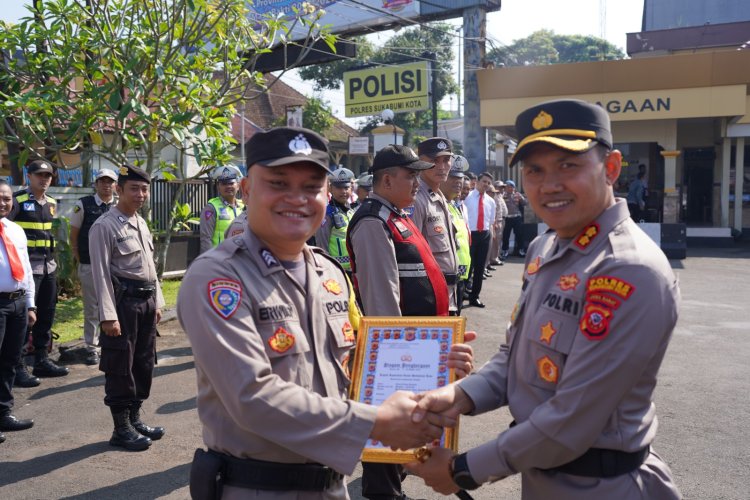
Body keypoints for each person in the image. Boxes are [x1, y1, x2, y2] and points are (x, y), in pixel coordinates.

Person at [406, 99, 681, 499]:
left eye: (568, 165)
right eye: (535, 170)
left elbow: (571, 421)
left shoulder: (627, 269)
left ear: (611, 168)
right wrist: (459, 396)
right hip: (543, 478)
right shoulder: (546, 247)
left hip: (604, 485)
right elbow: (515, 355)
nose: (549, 184)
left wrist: (462, 470)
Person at [177, 127, 451, 499]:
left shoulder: (327, 272)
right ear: (246, 189)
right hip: (258, 488)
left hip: (332, 485)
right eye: (278, 182)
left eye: (311, 186)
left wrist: (430, 365)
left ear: (326, 194)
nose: (297, 198)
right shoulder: (218, 276)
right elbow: (252, 398)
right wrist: (378, 423)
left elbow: (354, 371)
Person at [346, 143, 475, 500]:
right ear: (387, 179)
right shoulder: (373, 220)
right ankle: (382, 493)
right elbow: (382, 296)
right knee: (390, 416)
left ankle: (391, 486)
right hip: (398, 348)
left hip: (418, 341)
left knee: (408, 420)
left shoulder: (396, 214)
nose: (418, 182)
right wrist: (398, 351)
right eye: (411, 175)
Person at [89, 164, 165, 451]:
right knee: (120, 364)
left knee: (143, 362)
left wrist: (157, 301)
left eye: (144, 189)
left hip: (145, 303)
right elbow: (100, 274)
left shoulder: (140, 223)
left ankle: (134, 419)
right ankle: (120, 429)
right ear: (119, 190)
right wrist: (108, 316)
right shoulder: (104, 226)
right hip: (123, 305)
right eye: (134, 188)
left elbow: (151, 268)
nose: (141, 194)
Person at [10, 160, 68, 386]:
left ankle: (41, 359)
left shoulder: (51, 203)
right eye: (39, 175)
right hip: (27, 269)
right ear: (29, 175)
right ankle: (18, 366)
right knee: (25, 318)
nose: (44, 179)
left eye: (48, 175)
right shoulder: (19, 201)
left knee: (46, 313)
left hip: (48, 266)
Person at [69, 169, 118, 366]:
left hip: (115, 266)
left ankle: (112, 342)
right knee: (92, 307)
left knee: (115, 304)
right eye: (102, 181)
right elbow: (74, 236)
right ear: (96, 184)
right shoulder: (83, 205)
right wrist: (81, 260)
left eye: (110, 182)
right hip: (89, 264)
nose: (106, 185)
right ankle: (92, 347)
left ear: (115, 185)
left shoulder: (119, 205)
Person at [0, 180, 36, 443]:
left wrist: (31, 303)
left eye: (7, 198)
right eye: (0, 198)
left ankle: (3, 412)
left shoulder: (16, 230)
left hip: (19, 303)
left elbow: (26, 269)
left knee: (10, 360)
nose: (3, 203)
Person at [413, 137, 459, 313]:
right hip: (429, 297)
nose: (442, 166)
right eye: (434, 160)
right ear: (420, 162)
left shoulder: (439, 195)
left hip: (448, 296)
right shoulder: (417, 199)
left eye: (446, 160)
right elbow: (412, 255)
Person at [442, 158, 471, 315]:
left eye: (460, 177)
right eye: (453, 177)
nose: (459, 181)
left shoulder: (454, 206)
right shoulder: (437, 206)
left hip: (460, 275)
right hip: (446, 279)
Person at [463, 172, 496, 308]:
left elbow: (491, 221)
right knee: (467, 268)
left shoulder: (491, 201)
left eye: (489, 183)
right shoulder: (467, 197)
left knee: (480, 268)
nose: (486, 185)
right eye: (484, 181)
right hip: (470, 235)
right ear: (477, 181)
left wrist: (491, 237)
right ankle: (460, 294)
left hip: (484, 235)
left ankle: (474, 297)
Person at [315, 167, 356, 273]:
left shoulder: (352, 212)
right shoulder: (327, 214)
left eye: (346, 188)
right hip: (336, 270)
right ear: (330, 189)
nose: (343, 191)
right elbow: (322, 246)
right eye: (339, 188)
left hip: (354, 270)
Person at [199, 165, 244, 255]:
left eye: (231, 183)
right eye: (224, 184)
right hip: (221, 261)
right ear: (218, 187)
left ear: (238, 186)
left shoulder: (244, 207)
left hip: (241, 260)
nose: (228, 186)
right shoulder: (211, 208)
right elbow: (206, 239)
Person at [501, 179, 527, 259]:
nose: (509, 188)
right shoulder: (503, 195)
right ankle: (505, 250)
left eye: (511, 187)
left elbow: (525, 203)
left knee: (519, 234)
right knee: (506, 235)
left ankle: (521, 250)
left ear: (514, 188)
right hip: (507, 218)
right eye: (508, 187)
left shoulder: (517, 195)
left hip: (517, 217)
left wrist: (521, 198)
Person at [488, 180, 507, 267]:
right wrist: (495, 221)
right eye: (500, 187)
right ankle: (494, 259)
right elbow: (494, 210)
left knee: (498, 241)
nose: (502, 189)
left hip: (501, 220)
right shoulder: (494, 196)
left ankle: (496, 257)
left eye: (503, 187)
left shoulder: (500, 195)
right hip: (497, 220)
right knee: (495, 241)